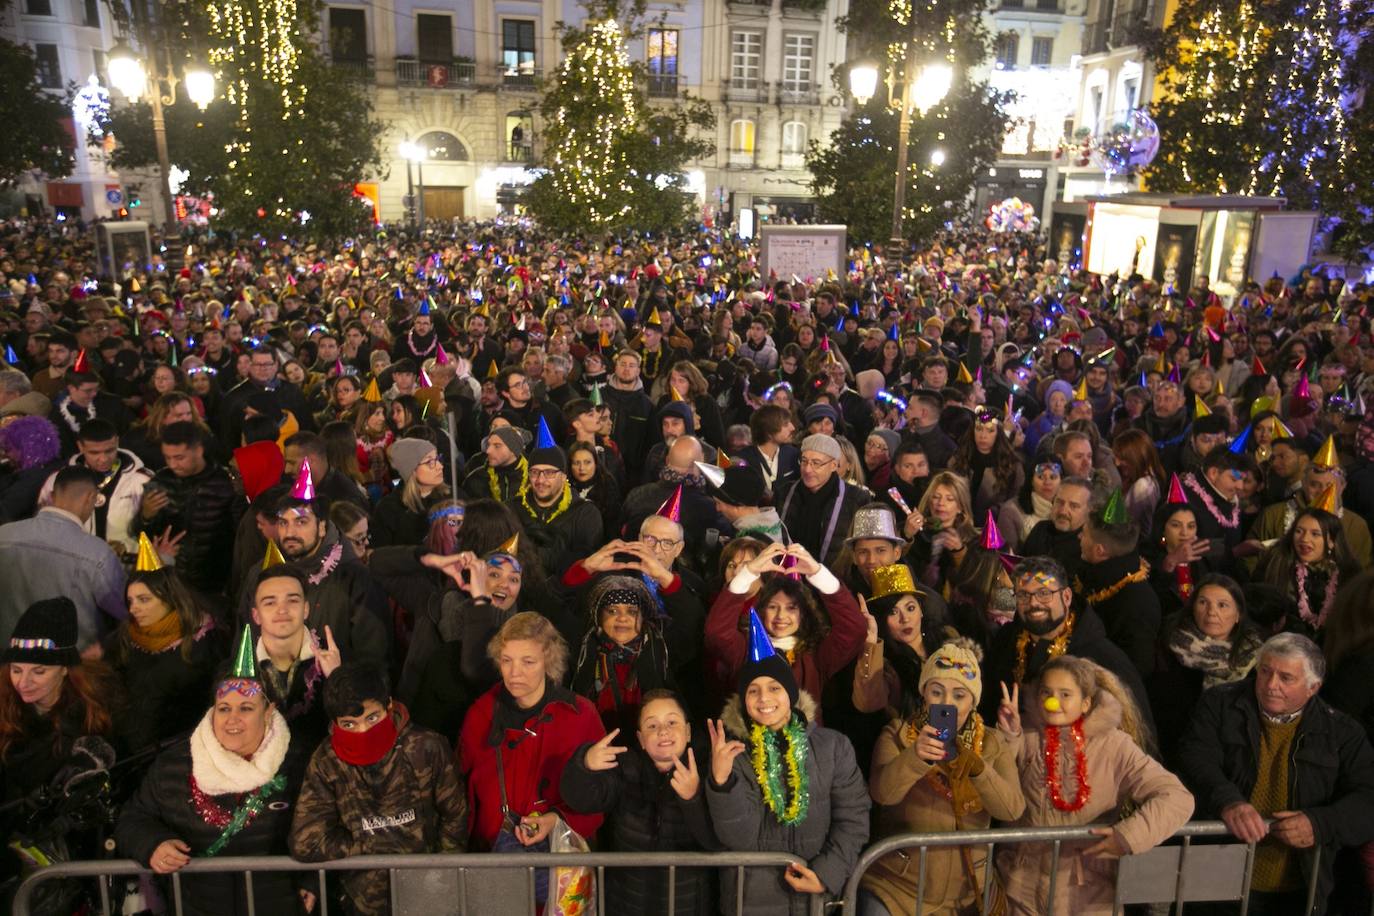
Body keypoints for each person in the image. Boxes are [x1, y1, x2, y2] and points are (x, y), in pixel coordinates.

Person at [114, 627, 308, 916]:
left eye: (246, 708)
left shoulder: (299, 764)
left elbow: (328, 825)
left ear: (268, 712)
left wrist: (314, 881)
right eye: (223, 708)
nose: (233, 720)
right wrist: (151, 844)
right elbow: (132, 818)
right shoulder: (176, 765)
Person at [1178, 633, 1374, 915]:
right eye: (1265, 672)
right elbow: (1195, 758)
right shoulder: (1219, 704)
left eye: (1286, 678)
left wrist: (1320, 824)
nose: (1271, 685)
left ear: (1313, 687)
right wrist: (1228, 800)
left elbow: (1368, 798)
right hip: (1218, 877)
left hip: (1298, 888)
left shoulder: (1343, 733)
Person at [995, 655, 1194, 915]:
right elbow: (995, 785)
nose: (1052, 702)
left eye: (1065, 694)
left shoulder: (1114, 745)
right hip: (1021, 892)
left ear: (1086, 702)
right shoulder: (1026, 735)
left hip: (1089, 896)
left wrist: (1128, 837)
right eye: (1047, 692)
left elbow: (1177, 797)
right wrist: (1009, 737)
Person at [705, 608, 870, 913]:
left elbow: (854, 820)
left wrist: (826, 874)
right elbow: (739, 838)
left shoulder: (834, 747)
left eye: (774, 688)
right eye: (753, 691)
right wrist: (722, 783)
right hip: (751, 902)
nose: (764, 699)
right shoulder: (733, 754)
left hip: (815, 900)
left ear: (791, 694)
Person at [289, 662, 468, 915]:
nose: (364, 731)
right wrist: (368, 845)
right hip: (361, 902)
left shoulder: (426, 747)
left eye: (372, 718)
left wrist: (441, 875)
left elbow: (455, 815)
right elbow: (307, 841)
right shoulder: (326, 761)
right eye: (350, 724)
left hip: (428, 895)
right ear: (336, 722)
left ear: (389, 707)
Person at [862, 639, 1025, 916]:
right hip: (897, 888)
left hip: (967, 893)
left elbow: (1012, 810)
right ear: (924, 694)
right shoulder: (897, 734)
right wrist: (916, 757)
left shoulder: (993, 743)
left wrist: (979, 769)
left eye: (959, 695)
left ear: (973, 701)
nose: (946, 703)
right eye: (937, 691)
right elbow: (883, 794)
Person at [457, 612, 605, 864]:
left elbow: (602, 792)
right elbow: (461, 794)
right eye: (506, 660)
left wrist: (557, 819)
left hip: (560, 858)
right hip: (494, 858)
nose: (515, 673)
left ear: (548, 660)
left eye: (528, 662)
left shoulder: (580, 714)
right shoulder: (480, 714)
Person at [559, 689, 722, 916]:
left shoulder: (709, 772)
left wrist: (692, 798)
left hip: (688, 907)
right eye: (652, 726)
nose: (663, 731)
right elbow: (580, 800)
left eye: (672, 722)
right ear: (640, 739)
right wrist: (585, 764)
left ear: (687, 732)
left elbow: (716, 843)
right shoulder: (626, 769)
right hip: (626, 905)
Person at [979, 556, 1152, 728]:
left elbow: (1133, 732)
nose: (1033, 603)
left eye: (1044, 593)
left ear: (1067, 597)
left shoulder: (1101, 657)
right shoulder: (1005, 641)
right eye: (1024, 595)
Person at [706, 541, 866, 723]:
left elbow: (855, 630)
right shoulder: (744, 649)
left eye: (791, 608)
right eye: (773, 607)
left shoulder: (816, 656)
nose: (781, 616)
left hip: (806, 745)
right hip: (750, 746)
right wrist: (747, 573)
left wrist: (818, 574)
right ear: (761, 611)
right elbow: (716, 632)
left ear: (803, 614)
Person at [0, 598, 121, 811]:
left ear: (65, 669)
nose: (23, 683)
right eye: (16, 670)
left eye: (39, 671)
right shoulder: (5, 703)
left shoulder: (93, 716)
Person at [0, 466, 127, 650]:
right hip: (72, 667)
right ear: (91, 498)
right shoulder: (97, 553)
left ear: (52, 495)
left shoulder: (4, 535)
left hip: (9, 664)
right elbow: (124, 611)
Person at [105, 563, 228, 751]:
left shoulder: (203, 644)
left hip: (176, 750)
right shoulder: (125, 638)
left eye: (144, 599)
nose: (133, 609)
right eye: (130, 601)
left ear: (170, 599)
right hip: (128, 748)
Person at [1148, 574, 1263, 765]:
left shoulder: (1254, 658)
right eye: (1203, 602)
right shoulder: (1169, 647)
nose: (1211, 612)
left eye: (1222, 605)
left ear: (1238, 615)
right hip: (1174, 751)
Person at [570, 574, 702, 733]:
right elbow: (551, 604)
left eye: (632, 612)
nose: (622, 618)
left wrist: (665, 576)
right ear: (599, 616)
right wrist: (585, 569)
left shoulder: (661, 646)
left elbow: (691, 619)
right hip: (595, 747)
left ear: (643, 618)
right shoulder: (582, 648)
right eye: (612, 611)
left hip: (654, 747)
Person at [138, 420, 243, 596]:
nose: (173, 465)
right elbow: (144, 535)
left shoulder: (225, 483)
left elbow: (237, 534)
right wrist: (146, 517)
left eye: (179, 457)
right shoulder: (160, 483)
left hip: (215, 584)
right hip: (171, 580)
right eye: (167, 458)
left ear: (199, 450)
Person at [37, 418, 152, 556]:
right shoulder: (58, 481)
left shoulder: (142, 481)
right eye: (94, 453)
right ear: (80, 446)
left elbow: (155, 532)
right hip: (74, 565)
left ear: (116, 441)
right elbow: (44, 526)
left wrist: (127, 547)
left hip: (126, 567)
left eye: (109, 451)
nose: (103, 459)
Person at [852, 563, 956, 715]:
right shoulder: (886, 666)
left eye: (910, 608)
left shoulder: (949, 639)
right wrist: (871, 643)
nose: (905, 619)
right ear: (882, 619)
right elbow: (868, 703)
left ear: (921, 609)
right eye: (893, 612)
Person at [1076, 492, 1160, 677]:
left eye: (1084, 533)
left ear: (1100, 551)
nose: (1079, 537)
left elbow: (1138, 668)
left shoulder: (1137, 604)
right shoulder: (1090, 572)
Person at [1253, 507, 1358, 638]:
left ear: (1331, 541)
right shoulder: (1275, 563)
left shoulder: (1350, 574)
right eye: (1299, 531)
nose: (1304, 539)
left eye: (1315, 534)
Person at [775, 434, 872, 568]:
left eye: (816, 463)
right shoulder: (785, 492)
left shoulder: (856, 499)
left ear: (833, 465)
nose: (808, 469)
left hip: (833, 578)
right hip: (788, 574)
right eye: (804, 461)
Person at [513, 442, 604, 577]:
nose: (540, 480)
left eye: (549, 473)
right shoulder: (511, 509)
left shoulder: (585, 513)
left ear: (563, 476)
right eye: (534, 472)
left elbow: (586, 566)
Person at [372, 437, 451, 547]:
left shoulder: (453, 496)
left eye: (437, 459)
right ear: (411, 470)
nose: (440, 466)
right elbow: (382, 556)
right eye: (430, 462)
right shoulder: (388, 510)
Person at [949, 409, 1024, 516]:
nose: (983, 436)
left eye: (990, 430)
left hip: (994, 522)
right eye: (979, 429)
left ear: (998, 433)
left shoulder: (1011, 464)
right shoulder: (958, 458)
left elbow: (1017, 498)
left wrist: (995, 511)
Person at [1021, 474, 1094, 583]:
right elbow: (1020, 567)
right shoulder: (1040, 529)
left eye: (1073, 506)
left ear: (1089, 511)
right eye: (1059, 502)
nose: (1063, 511)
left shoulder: (1088, 546)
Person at [997, 457, 1060, 554]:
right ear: (1031, 480)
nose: (1047, 482)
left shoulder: (1066, 509)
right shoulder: (1010, 511)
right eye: (1041, 477)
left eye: (1053, 477)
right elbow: (1008, 557)